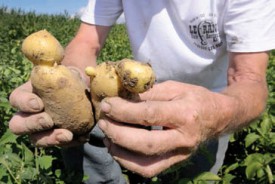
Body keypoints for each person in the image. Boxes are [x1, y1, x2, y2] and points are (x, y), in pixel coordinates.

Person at [8, 0, 275, 183]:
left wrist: (216, 115)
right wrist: (69, 79)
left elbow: (249, 78)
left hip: (210, 109)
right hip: (133, 97)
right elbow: (86, 42)